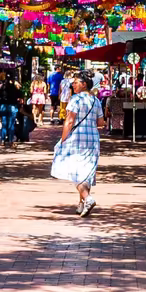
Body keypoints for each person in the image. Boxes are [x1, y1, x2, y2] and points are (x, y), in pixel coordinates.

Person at [53, 71, 104, 216]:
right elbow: (101, 123)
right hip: (93, 139)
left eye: (75, 82)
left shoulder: (75, 99)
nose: (73, 85)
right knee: (86, 171)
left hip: (77, 138)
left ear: (84, 84)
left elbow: (69, 121)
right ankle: (82, 204)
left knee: (75, 171)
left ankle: (87, 198)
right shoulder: (96, 100)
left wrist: (63, 140)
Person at [0, 70, 22, 149]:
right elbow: (20, 95)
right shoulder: (14, 86)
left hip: (3, 106)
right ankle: (10, 141)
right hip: (12, 106)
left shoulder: (2, 86)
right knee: (11, 125)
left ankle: (2, 141)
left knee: (4, 124)